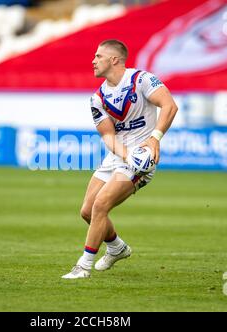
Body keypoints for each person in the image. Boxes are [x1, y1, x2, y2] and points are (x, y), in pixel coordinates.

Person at [62, 39, 178, 279]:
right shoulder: (98, 98)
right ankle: (117, 248)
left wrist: (155, 138)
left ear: (114, 59)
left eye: (98, 56)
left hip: (143, 158)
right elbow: (107, 135)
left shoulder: (141, 80)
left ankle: (83, 266)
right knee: (86, 211)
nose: (93, 61)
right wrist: (128, 155)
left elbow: (169, 105)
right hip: (120, 156)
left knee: (101, 204)